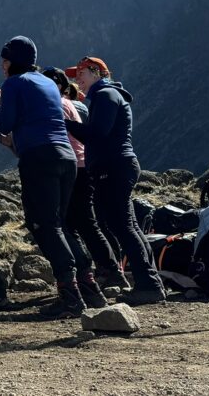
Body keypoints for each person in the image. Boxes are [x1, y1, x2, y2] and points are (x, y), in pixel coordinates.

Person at [0, 37, 93, 317]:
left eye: (5, 61)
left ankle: (69, 295)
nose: (2, 66)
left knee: (43, 225)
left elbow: (5, 124)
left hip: (38, 157)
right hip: (66, 157)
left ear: (12, 62)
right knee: (59, 223)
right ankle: (89, 285)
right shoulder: (47, 82)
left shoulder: (13, 84)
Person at [64, 56, 167, 305]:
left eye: (81, 74)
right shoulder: (106, 96)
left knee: (122, 226)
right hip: (117, 165)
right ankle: (150, 282)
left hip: (114, 166)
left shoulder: (106, 96)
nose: (77, 80)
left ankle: (149, 285)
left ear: (96, 72)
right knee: (126, 224)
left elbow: (98, 133)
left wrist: (62, 123)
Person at [43, 67, 123, 291]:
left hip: (72, 167)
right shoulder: (69, 103)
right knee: (83, 221)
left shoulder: (56, 104)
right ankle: (107, 269)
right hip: (81, 164)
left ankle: (103, 270)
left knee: (77, 222)